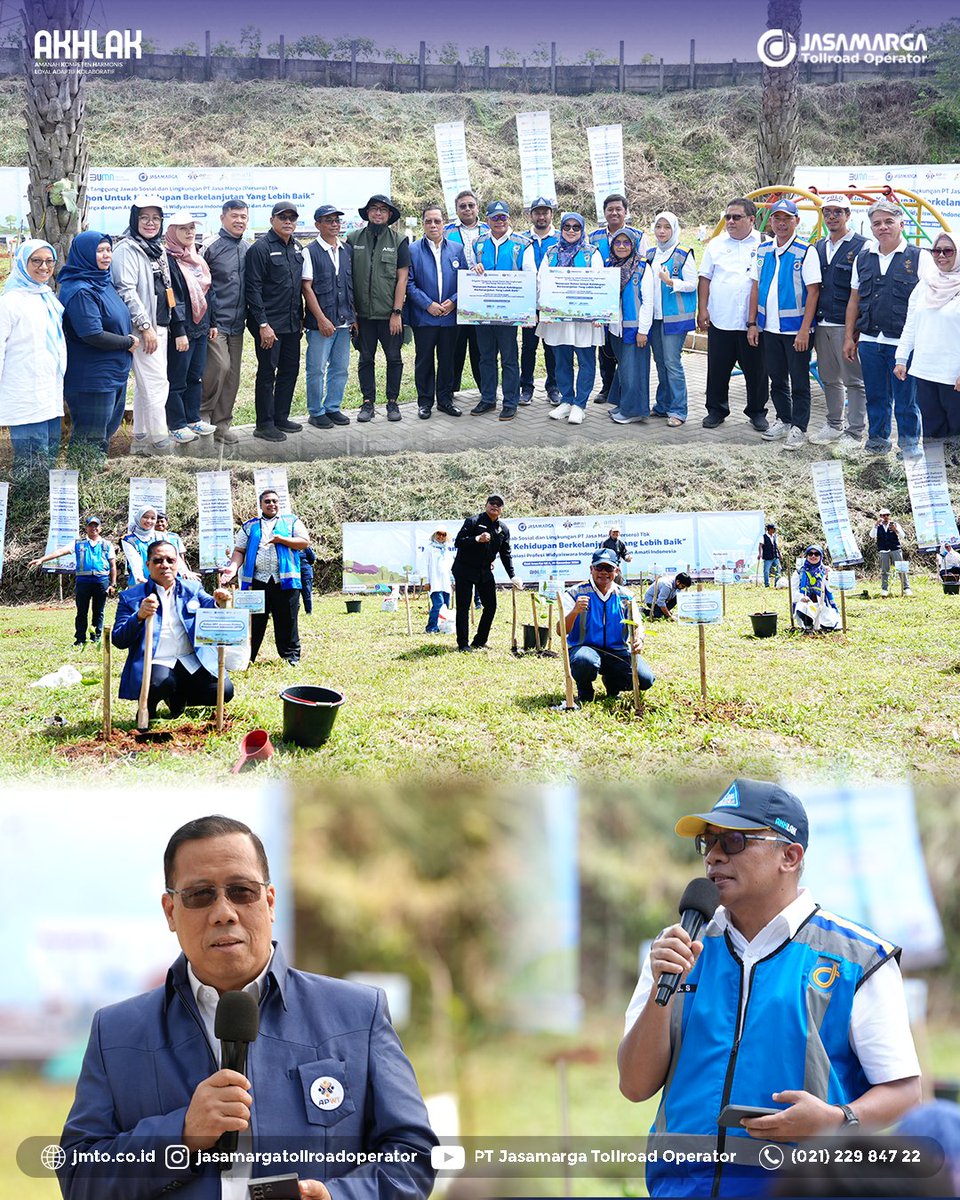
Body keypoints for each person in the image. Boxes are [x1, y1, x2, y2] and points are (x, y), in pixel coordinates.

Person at [58, 814, 437, 1199]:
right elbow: (77, 1178)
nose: (224, 911)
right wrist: (182, 1134)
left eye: (241, 891)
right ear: (171, 911)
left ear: (269, 902)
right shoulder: (117, 1031)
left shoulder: (358, 1014)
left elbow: (414, 1155)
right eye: (200, 895)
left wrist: (339, 1196)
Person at [617, 777, 922, 1199]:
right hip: (680, 1189)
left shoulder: (859, 958)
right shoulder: (678, 948)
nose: (715, 857)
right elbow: (634, 1086)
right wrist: (660, 990)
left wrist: (838, 1119)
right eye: (708, 843)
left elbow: (905, 1091)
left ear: (790, 855)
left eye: (735, 841)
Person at [112, 539, 234, 719]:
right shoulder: (131, 597)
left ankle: (179, 698)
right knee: (160, 683)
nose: (165, 565)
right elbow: (119, 639)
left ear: (178, 563)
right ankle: (148, 707)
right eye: (158, 561)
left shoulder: (192, 589)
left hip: (189, 659)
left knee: (224, 690)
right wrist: (138, 616)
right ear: (148, 565)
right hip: (157, 661)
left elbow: (211, 605)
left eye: (171, 560)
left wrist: (220, 601)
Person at [843, 200, 924, 457]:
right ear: (871, 227)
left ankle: (910, 445)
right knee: (876, 397)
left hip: (904, 344)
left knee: (906, 401)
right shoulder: (863, 258)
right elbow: (854, 299)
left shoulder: (919, 258)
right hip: (869, 341)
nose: (883, 227)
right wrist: (849, 337)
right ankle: (877, 442)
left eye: (889, 221)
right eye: (877, 223)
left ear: (902, 224)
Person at [748, 199, 821, 451]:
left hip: (796, 331)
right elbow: (756, 287)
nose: (781, 223)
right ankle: (783, 419)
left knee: (800, 381)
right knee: (776, 379)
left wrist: (804, 329)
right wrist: (753, 324)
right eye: (777, 218)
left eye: (787, 219)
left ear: (796, 221)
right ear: (770, 222)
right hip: (770, 328)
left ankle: (799, 427)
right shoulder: (764, 250)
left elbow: (813, 293)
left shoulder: (805, 251)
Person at [58, 231, 138, 462]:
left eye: (108, 250)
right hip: (92, 380)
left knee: (101, 435)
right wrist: (128, 342)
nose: (106, 256)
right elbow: (92, 333)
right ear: (84, 254)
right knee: (89, 439)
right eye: (99, 251)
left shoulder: (102, 280)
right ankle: (81, 484)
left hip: (111, 374)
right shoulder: (81, 290)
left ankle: (92, 480)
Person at [698, 198, 770, 433]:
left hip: (753, 323)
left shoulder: (765, 244)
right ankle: (716, 410)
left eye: (736, 217)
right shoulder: (716, 245)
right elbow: (705, 278)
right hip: (722, 318)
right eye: (727, 217)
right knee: (717, 369)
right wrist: (703, 309)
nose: (730, 221)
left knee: (757, 371)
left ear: (751, 219)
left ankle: (757, 412)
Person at [111, 196, 175, 454]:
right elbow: (125, 290)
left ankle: (140, 439)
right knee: (157, 383)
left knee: (145, 385)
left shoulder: (156, 248)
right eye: (144, 218)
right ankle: (161, 443)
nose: (150, 223)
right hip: (143, 329)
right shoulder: (126, 249)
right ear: (134, 219)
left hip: (160, 325)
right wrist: (145, 326)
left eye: (156, 218)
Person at [220, 489, 310, 666]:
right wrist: (232, 568)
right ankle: (247, 657)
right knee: (254, 621)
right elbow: (239, 550)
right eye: (267, 501)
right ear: (261, 505)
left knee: (287, 619)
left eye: (275, 501)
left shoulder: (292, 521)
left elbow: (304, 542)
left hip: (286, 581)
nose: (272, 504)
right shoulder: (249, 526)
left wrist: (282, 539)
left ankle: (290, 657)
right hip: (257, 581)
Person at [0, 238, 65, 474]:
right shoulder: (10, 302)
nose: (44, 267)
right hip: (24, 393)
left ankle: (42, 506)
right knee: (30, 460)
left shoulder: (47, 296)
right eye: (36, 261)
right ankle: (26, 507)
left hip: (48, 391)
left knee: (48, 455)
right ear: (21, 263)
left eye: (49, 261)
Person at [810, 195, 870, 447]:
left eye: (838, 212)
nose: (832, 217)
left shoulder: (863, 246)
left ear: (848, 214)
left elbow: (863, 292)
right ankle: (834, 425)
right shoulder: (819, 245)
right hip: (822, 323)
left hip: (845, 327)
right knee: (829, 378)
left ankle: (855, 432)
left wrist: (854, 330)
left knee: (854, 381)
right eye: (827, 212)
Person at [346, 193, 411, 423]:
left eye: (383, 209)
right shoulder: (353, 239)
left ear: (389, 214)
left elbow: (402, 279)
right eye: (374, 208)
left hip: (389, 315)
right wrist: (352, 313)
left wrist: (397, 313)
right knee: (365, 358)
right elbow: (347, 277)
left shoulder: (400, 241)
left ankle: (392, 402)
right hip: (362, 316)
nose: (378, 213)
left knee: (394, 358)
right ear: (367, 213)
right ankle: (367, 402)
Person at [561, 548, 655, 703]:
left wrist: (639, 639)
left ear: (616, 571)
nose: (603, 572)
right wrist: (575, 611)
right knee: (584, 661)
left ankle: (612, 684)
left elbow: (637, 624)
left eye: (609, 568)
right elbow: (561, 630)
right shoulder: (574, 593)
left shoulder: (626, 596)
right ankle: (585, 690)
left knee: (645, 680)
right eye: (599, 567)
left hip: (617, 652)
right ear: (591, 569)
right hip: (585, 648)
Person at [244, 202, 305, 443]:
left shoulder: (297, 247)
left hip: (291, 323)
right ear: (272, 220)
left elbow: (298, 286)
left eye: (292, 218)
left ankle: (281, 417)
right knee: (268, 372)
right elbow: (253, 288)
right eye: (283, 217)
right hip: (269, 325)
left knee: (290, 370)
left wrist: (300, 319)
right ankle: (264, 423)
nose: (288, 221)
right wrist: (262, 324)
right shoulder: (259, 249)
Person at [470, 201, 536, 421]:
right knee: (486, 357)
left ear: (509, 219)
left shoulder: (522, 244)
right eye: (495, 218)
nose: (499, 221)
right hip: (483, 312)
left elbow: (530, 278)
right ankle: (488, 398)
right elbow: (469, 272)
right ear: (487, 220)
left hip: (510, 313)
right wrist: (474, 269)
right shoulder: (477, 243)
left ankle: (510, 402)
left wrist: (529, 311)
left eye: (503, 217)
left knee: (509, 359)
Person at [894, 229, 960, 442]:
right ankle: (937, 473)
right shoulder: (926, 283)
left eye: (948, 251)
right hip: (925, 370)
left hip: (953, 375)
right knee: (931, 431)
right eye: (936, 251)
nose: (941, 256)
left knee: (957, 430)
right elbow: (911, 323)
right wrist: (901, 358)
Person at [541, 212, 605, 425]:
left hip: (584, 320)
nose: (570, 231)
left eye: (576, 227)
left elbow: (599, 284)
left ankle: (580, 404)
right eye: (566, 227)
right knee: (561, 360)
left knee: (586, 360)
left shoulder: (591, 253)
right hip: (559, 320)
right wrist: (545, 309)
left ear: (582, 230)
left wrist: (598, 312)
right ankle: (566, 400)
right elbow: (542, 281)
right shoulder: (551, 253)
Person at [165, 212, 218, 444]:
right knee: (177, 378)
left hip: (201, 327)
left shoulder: (197, 258)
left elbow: (209, 293)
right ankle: (176, 423)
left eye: (191, 228)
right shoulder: (168, 259)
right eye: (183, 228)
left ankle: (193, 418)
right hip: (182, 330)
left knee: (195, 376)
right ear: (171, 232)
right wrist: (179, 330)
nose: (189, 233)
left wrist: (212, 322)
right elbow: (172, 298)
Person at [589, 193, 647, 404]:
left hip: (629, 298)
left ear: (625, 212)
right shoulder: (594, 237)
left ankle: (624, 389)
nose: (614, 213)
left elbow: (643, 264)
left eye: (618, 209)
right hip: (604, 298)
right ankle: (607, 386)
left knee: (626, 348)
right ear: (604, 213)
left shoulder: (638, 235)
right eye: (610, 209)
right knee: (604, 347)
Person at [405, 204, 462, 419]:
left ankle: (445, 400)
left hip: (449, 316)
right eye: (428, 221)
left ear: (444, 223)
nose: (433, 225)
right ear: (423, 224)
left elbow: (464, 280)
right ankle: (425, 402)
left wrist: (453, 302)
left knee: (448, 359)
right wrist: (428, 304)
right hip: (424, 316)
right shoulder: (412, 250)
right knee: (424, 360)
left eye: (437, 221)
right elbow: (409, 284)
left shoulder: (456, 249)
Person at [301, 204, 354, 429]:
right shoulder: (309, 251)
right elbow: (306, 287)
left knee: (340, 368)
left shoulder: (346, 250)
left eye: (336, 220)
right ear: (318, 225)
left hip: (344, 321)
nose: (334, 224)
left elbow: (350, 285)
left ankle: (333, 407)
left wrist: (354, 316)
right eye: (328, 220)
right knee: (316, 368)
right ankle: (316, 411)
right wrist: (321, 319)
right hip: (320, 324)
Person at [200, 198, 249, 444]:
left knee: (233, 377)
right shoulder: (210, 246)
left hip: (238, 324)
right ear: (223, 218)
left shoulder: (247, 248)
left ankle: (222, 426)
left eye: (243, 217)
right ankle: (201, 417)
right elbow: (199, 285)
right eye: (235, 216)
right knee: (219, 368)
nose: (240, 221)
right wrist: (208, 321)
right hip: (215, 324)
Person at [29, 514, 116, 648]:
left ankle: (96, 637)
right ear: (86, 528)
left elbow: (113, 565)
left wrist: (112, 584)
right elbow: (60, 552)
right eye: (90, 525)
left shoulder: (107, 544)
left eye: (96, 525)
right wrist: (42, 559)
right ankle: (80, 639)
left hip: (101, 581)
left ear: (100, 528)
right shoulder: (78, 543)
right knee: (81, 611)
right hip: (83, 581)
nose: (93, 528)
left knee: (98, 611)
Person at [451, 494, 523, 651]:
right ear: (486, 505)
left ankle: (479, 641)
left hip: (484, 571)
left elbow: (505, 554)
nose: (495, 506)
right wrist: (477, 539)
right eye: (492, 503)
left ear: (502, 509)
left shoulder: (503, 529)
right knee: (463, 607)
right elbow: (459, 542)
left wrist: (513, 576)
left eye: (499, 504)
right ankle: (463, 644)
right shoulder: (473, 521)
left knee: (491, 606)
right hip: (464, 569)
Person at [647, 212, 697, 427]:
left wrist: (671, 282)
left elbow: (693, 283)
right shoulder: (650, 254)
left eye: (667, 227)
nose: (662, 231)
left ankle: (679, 410)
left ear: (674, 229)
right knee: (660, 363)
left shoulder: (683, 253)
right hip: (654, 317)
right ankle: (662, 404)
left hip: (674, 319)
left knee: (672, 363)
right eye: (659, 226)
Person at [606, 229, 654, 426]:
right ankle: (623, 405)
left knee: (635, 370)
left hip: (635, 329)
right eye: (618, 243)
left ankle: (634, 411)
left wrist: (643, 330)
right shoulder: (610, 266)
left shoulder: (642, 267)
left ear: (633, 245)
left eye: (627, 243)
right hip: (616, 328)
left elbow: (648, 301)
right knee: (625, 369)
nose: (622, 246)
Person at [444, 188, 488, 393]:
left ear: (477, 207)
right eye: (463, 206)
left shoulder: (490, 230)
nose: (467, 209)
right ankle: (451, 391)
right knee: (455, 348)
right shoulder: (446, 232)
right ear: (456, 210)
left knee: (481, 348)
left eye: (471, 205)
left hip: (482, 299)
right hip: (455, 298)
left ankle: (485, 391)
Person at [521, 197, 560, 404]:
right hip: (528, 303)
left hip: (552, 304)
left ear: (551, 214)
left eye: (545, 212)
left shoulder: (562, 238)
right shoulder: (521, 240)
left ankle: (553, 387)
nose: (541, 216)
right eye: (537, 212)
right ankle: (526, 387)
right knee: (528, 347)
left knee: (551, 347)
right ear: (531, 215)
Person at [794, 544, 840, 631]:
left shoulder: (826, 570)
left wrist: (827, 577)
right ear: (806, 556)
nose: (813, 556)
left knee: (829, 625)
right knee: (801, 608)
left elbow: (832, 590)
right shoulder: (799, 571)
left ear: (821, 556)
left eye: (816, 554)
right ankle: (808, 624)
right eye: (810, 554)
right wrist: (801, 597)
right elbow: (793, 590)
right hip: (806, 603)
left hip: (823, 603)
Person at [869, 507, 912, 597]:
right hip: (883, 550)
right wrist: (876, 525)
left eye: (887, 515)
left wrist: (895, 530)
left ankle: (906, 588)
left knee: (901, 569)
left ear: (890, 516)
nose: (885, 517)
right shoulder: (878, 526)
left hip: (895, 549)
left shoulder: (895, 524)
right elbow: (872, 536)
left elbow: (903, 536)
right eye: (883, 515)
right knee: (885, 570)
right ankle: (884, 589)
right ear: (880, 516)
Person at [424, 527, 453, 633]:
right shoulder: (429, 548)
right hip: (434, 581)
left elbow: (450, 566)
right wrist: (427, 581)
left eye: (443, 534)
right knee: (438, 604)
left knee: (445, 604)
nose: (441, 537)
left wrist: (452, 579)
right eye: (439, 534)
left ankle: (442, 626)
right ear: (434, 535)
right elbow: (424, 565)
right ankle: (431, 627)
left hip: (445, 582)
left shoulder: (446, 549)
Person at [121, 505, 160, 583]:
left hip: (160, 581)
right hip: (140, 582)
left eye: (153, 518)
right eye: (145, 517)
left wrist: (185, 572)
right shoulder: (129, 540)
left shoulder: (160, 536)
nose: (149, 521)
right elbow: (135, 561)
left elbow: (173, 556)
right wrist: (139, 577)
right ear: (138, 518)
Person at [155, 512, 199, 581]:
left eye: (162, 521)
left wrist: (184, 571)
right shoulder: (151, 537)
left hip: (176, 567)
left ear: (167, 523)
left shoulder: (174, 537)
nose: (160, 524)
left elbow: (181, 555)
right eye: (157, 522)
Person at [759, 522, 780, 587]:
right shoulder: (763, 537)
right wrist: (760, 554)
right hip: (767, 557)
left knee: (778, 570)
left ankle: (777, 584)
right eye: (774, 529)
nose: (774, 530)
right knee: (766, 571)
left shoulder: (774, 536)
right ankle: (767, 584)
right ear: (770, 529)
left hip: (775, 556)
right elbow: (760, 546)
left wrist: (779, 554)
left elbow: (776, 546)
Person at [299, 544, 316, 614]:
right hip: (294, 573)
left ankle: (308, 611)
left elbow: (312, 558)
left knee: (307, 592)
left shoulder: (305, 547)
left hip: (305, 572)